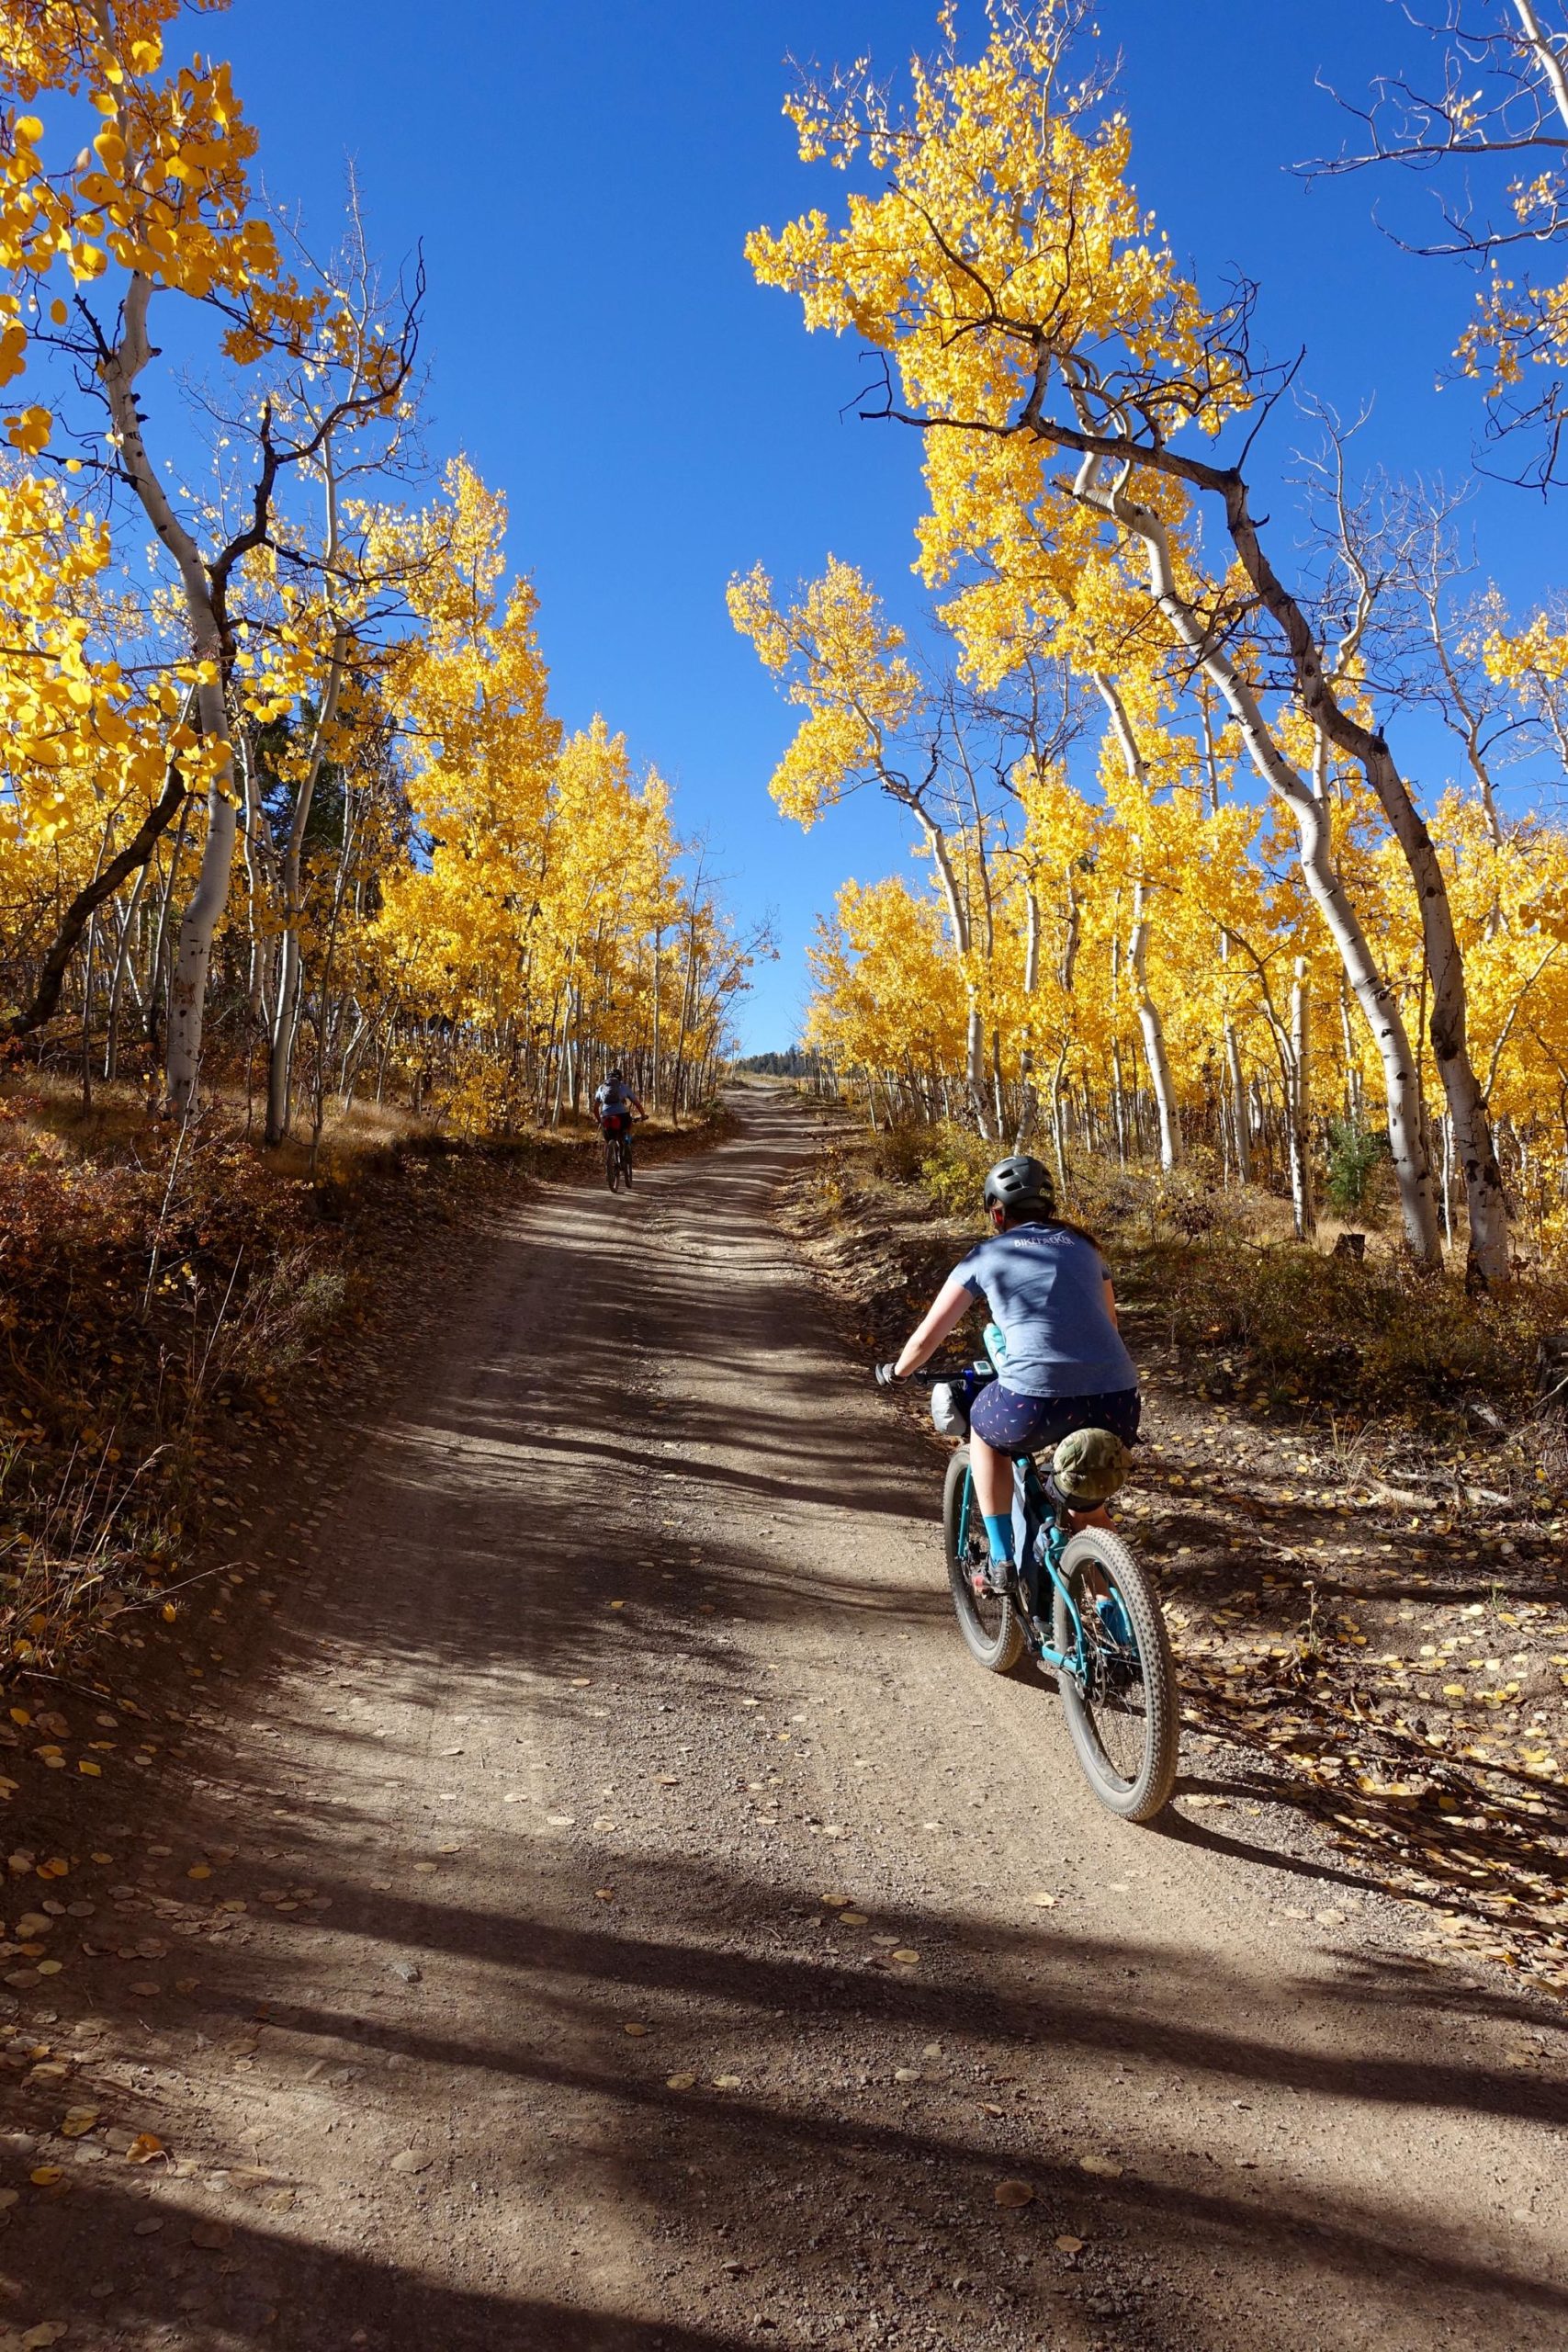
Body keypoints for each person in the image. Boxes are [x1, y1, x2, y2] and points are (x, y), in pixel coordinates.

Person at [878, 1154, 1139, 1594]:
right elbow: (1109, 1325)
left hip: (1034, 1401)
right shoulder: (1087, 1249)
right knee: (1087, 1507)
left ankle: (1001, 1560)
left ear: (997, 1212)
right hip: (1118, 1397)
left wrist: (898, 1373)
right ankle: (1126, 1630)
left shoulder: (987, 1254)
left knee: (985, 1431)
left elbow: (928, 1337)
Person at [593, 1068, 645, 1133]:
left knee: (606, 1134)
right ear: (620, 1077)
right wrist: (643, 1115)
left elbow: (595, 1109)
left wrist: (599, 1120)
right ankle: (626, 1139)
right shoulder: (624, 1087)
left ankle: (609, 1141)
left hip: (605, 1115)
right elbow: (637, 1104)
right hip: (622, 1115)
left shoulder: (601, 1088)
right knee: (628, 1127)